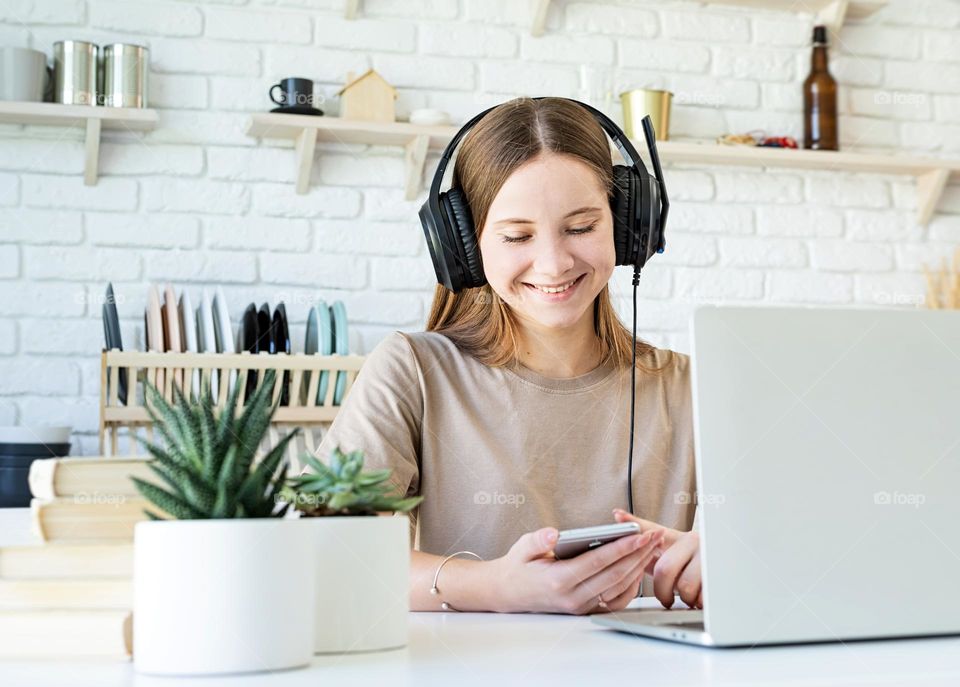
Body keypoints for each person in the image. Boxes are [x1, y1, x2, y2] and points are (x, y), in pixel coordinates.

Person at [314, 96, 702, 614]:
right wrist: (495, 585)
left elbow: (796, 547)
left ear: (629, 227)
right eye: (518, 235)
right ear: (465, 247)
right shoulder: (414, 371)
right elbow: (324, 550)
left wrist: (730, 559)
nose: (554, 262)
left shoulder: (690, 386)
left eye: (582, 227)